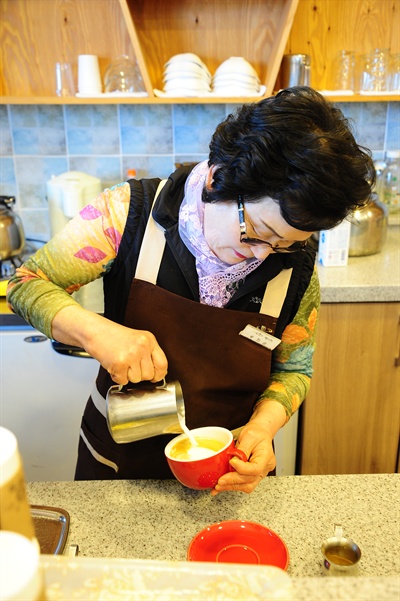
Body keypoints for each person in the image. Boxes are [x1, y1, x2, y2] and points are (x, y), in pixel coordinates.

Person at [7, 87, 374, 494]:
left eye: (285, 244)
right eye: (257, 231)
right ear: (220, 177)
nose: (263, 255)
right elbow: (26, 284)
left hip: (227, 474)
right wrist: (97, 333)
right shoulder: (127, 213)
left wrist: (263, 427)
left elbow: (294, 370)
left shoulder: (296, 268)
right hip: (119, 469)